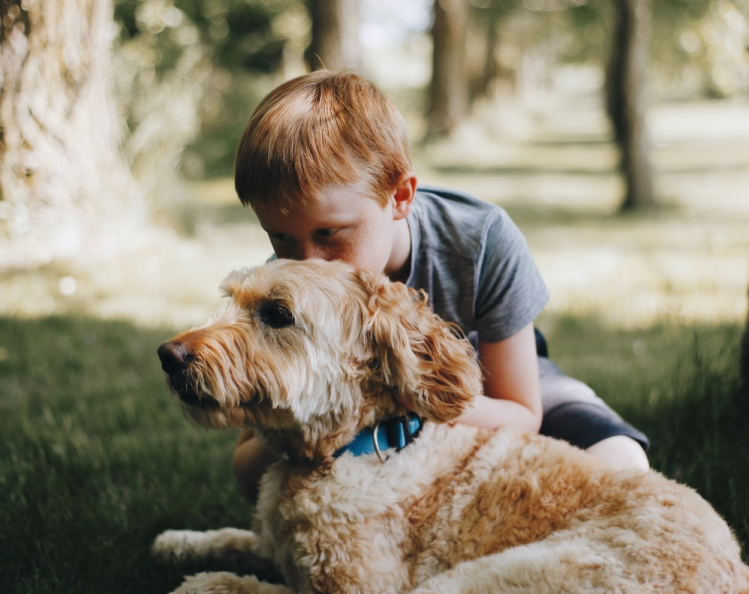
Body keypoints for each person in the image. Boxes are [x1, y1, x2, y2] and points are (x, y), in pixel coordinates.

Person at [231, 70, 649, 503]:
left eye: (329, 233)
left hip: (492, 382)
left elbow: (522, 413)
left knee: (622, 460)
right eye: (280, 237)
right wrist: (297, 421)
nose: (306, 263)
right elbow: (247, 471)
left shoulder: (480, 241)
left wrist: (410, 397)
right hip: (355, 422)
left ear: (400, 197)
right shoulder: (284, 295)